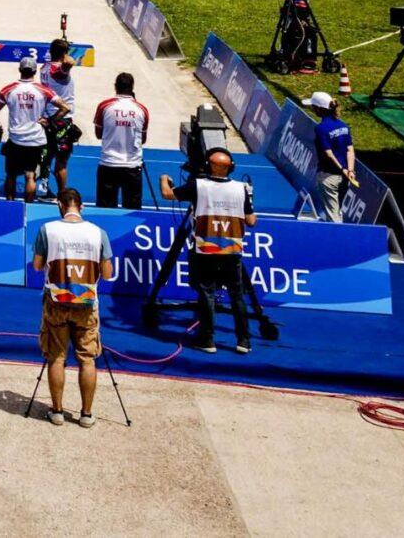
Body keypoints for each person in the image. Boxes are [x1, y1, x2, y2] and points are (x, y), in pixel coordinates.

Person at [31, 186, 113, 427]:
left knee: (56, 357)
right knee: (87, 359)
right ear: (82, 206)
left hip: (56, 302)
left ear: (59, 205)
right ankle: (86, 414)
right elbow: (108, 274)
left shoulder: (48, 230)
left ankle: (57, 411)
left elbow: (37, 266)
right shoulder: (99, 233)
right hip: (86, 304)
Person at [161, 148, 256, 353]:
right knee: (237, 296)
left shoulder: (199, 185)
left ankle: (208, 340)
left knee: (207, 293)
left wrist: (163, 178)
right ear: (231, 168)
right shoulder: (241, 188)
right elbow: (251, 221)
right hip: (232, 250)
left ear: (207, 166)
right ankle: (243, 341)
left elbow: (168, 194)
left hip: (206, 250)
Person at [0, 58, 54, 201]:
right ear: (34, 71)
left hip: (16, 140)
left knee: (11, 174)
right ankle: (28, 206)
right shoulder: (43, 90)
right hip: (35, 140)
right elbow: (65, 107)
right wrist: (49, 120)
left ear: (20, 70)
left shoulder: (9, 89)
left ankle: (9, 203)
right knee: (30, 174)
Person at [93, 72, 150, 209]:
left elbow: (98, 134)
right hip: (132, 165)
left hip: (109, 164)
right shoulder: (142, 109)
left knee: (105, 209)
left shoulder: (104, 106)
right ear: (132, 87)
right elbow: (142, 139)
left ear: (115, 86)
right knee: (132, 210)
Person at [309, 90, 359, 220]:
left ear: (319, 109)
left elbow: (328, 153)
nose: (312, 109)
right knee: (338, 211)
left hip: (328, 177)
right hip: (346, 177)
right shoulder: (344, 126)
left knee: (333, 215)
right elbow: (350, 150)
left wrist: (341, 169)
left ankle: (338, 239)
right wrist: (350, 170)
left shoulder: (321, 128)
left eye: (313, 106)